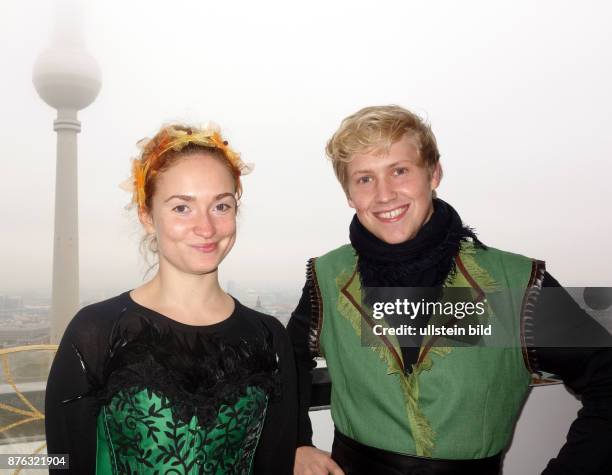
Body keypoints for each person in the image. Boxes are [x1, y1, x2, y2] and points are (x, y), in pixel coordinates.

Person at [288, 105, 612, 474]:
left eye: (399, 170)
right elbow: (285, 364)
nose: (385, 194)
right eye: (364, 179)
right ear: (349, 194)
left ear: (433, 173)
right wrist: (296, 441)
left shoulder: (512, 282)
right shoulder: (328, 277)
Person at [45, 123, 297, 474]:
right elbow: (64, 463)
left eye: (221, 206)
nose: (206, 228)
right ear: (147, 216)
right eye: (182, 208)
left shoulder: (269, 337)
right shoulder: (96, 333)